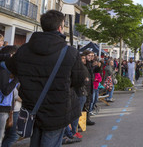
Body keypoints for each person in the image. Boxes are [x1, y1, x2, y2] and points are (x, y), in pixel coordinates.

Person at [5, 10, 85, 147]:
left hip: (32, 107)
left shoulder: (24, 50)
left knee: (35, 140)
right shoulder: (70, 52)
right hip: (56, 110)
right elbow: (79, 80)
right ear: (60, 27)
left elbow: (11, 67)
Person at [0, 46, 19, 143]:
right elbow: (6, 91)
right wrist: (16, 79)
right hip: (2, 110)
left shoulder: (8, 71)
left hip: (6, 109)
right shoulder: (3, 70)